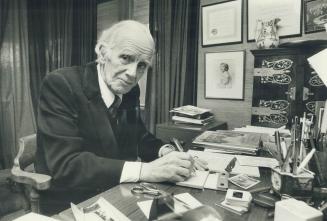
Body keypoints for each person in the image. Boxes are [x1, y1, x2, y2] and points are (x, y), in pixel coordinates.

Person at [35, 20, 207, 214]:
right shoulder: (61, 84)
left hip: (117, 190)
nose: (133, 74)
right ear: (102, 53)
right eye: (125, 58)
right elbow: (67, 165)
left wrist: (166, 152)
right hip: (71, 201)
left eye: (142, 65)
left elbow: (138, 135)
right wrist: (146, 170)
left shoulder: (130, 91)